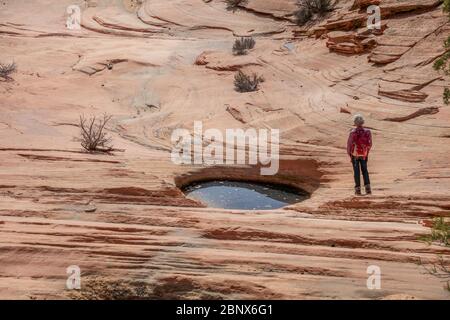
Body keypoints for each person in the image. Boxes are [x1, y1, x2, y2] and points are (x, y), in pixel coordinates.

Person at [347, 114, 372, 195]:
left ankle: (358, 190)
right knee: (365, 170)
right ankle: (368, 189)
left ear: (355, 122)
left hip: (355, 154)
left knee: (356, 171)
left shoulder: (352, 132)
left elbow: (349, 144)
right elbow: (370, 144)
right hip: (364, 154)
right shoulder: (368, 131)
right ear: (362, 122)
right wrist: (366, 152)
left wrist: (350, 154)